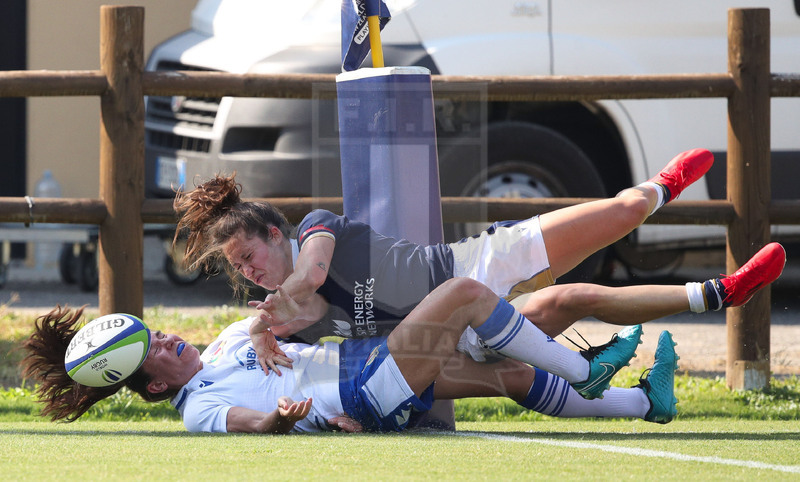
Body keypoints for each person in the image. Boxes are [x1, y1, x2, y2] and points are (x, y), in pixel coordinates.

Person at [170, 148, 776, 400]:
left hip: (474, 265)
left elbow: (313, 272)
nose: (249, 275)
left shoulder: (314, 233)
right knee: (573, 299)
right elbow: (289, 373)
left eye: (246, 256)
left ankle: (658, 189)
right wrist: (260, 337)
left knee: (620, 212)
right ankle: (720, 292)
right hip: (460, 333)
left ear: (274, 233)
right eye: (237, 270)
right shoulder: (293, 313)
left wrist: (270, 317)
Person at [21, 277, 682, 434]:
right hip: (367, 390)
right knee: (466, 294)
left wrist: (259, 328)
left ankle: (643, 404)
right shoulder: (198, 408)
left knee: (509, 374)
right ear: (158, 389)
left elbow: (280, 320)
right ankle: (584, 370)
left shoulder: (221, 345)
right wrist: (281, 420)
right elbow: (251, 427)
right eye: (157, 351)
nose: (168, 339)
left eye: (159, 333)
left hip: (368, 362)